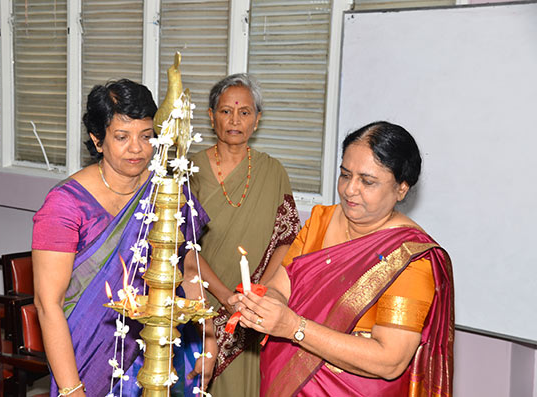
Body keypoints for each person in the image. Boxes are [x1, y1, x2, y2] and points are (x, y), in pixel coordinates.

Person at [230, 121, 454, 396]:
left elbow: (390, 361)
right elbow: (280, 286)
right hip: (290, 382)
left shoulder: (409, 258)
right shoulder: (320, 221)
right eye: (345, 175)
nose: (350, 189)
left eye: (367, 181)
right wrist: (264, 308)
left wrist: (293, 327)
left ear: (401, 188)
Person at [32, 79, 214, 396]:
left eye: (146, 137)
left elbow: (187, 268)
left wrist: (209, 340)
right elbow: (49, 304)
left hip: (161, 349)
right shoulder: (65, 204)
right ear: (97, 139)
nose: (137, 148)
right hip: (87, 359)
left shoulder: (167, 190)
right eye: (122, 137)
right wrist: (72, 389)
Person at [185, 73, 301, 396]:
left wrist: (257, 295)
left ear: (257, 119)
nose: (234, 120)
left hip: (254, 309)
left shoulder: (273, 172)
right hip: (201, 305)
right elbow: (184, 248)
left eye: (245, 112)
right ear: (211, 116)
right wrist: (226, 297)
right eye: (225, 111)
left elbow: (288, 239)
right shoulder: (190, 172)